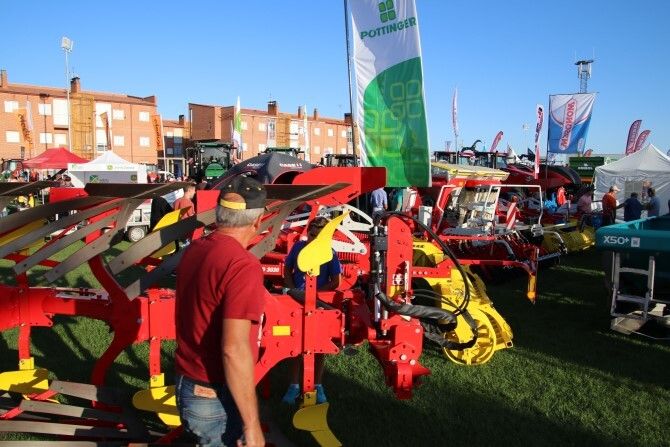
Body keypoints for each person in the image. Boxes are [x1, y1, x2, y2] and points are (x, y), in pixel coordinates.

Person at [174, 176, 267, 447]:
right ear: (258, 221)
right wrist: (252, 426)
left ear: (219, 213)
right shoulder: (243, 265)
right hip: (214, 394)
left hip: (187, 382)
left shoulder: (195, 249)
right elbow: (233, 349)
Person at [281, 216, 342, 405]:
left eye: (318, 236)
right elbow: (287, 270)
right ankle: (293, 386)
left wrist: (314, 294)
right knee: (296, 345)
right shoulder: (298, 248)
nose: (314, 239)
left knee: (319, 346)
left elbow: (335, 281)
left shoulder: (330, 253)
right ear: (307, 233)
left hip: (318, 303)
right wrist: (293, 290)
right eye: (312, 235)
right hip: (296, 302)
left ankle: (317, 385)